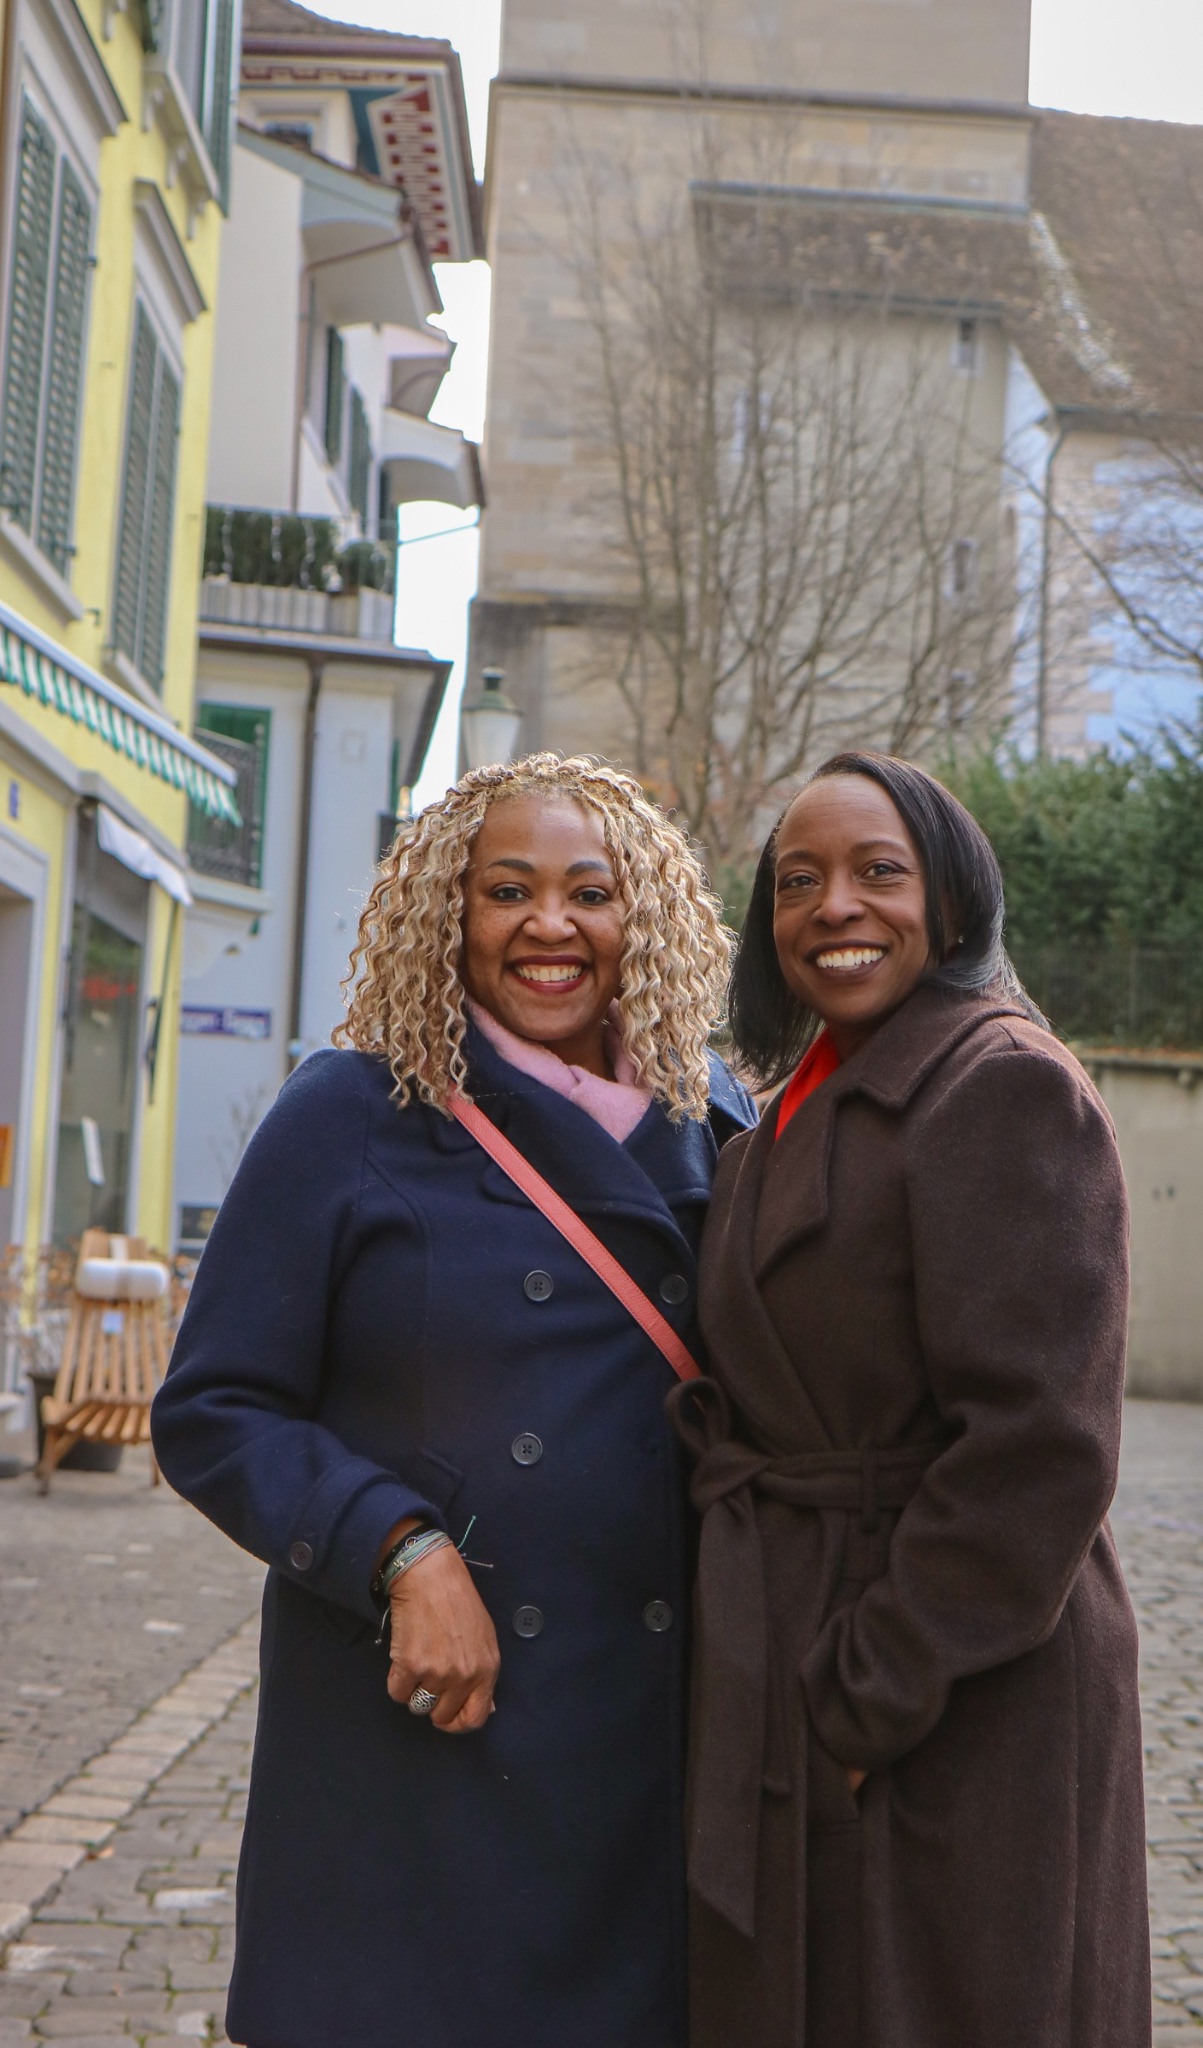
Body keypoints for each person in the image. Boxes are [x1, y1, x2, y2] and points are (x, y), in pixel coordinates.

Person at [151, 752, 755, 2048]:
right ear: (449, 912)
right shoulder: (353, 1111)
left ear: (641, 915)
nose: (551, 925)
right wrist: (399, 1549)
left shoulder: (714, 1124)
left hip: (642, 1736)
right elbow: (213, 1407)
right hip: (415, 1735)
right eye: (508, 890)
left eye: (589, 892)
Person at [674, 751, 1150, 2048]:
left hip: (955, 1690)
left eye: (878, 872)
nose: (834, 905)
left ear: (949, 902)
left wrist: (860, 1698)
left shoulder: (1002, 1084)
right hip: (814, 1643)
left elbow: (1039, 1452)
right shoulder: (781, 1110)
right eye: (798, 881)